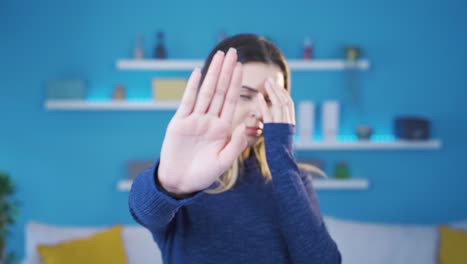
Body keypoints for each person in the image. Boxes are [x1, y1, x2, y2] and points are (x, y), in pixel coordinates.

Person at [128, 33, 341, 264]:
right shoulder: (186, 177)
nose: (259, 111)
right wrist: (171, 186)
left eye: (270, 100)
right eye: (244, 95)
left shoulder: (293, 178)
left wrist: (281, 156)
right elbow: (144, 210)